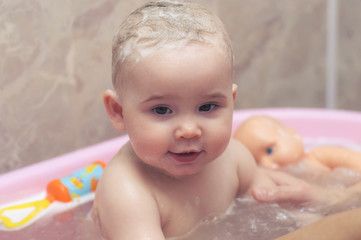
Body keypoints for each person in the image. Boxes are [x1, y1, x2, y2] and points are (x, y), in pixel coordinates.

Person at [90, 1, 348, 239]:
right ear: (119, 111)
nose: (189, 130)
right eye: (161, 110)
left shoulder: (233, 158)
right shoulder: (127, 192)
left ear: (231, 102)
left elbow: (275, 213)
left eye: (207, 106)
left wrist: (321, 219)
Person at [233, 115, 361, 172]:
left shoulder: (319, 156)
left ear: (293, 135)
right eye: (257, 164)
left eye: (269, 150)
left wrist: (346, 194)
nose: (266, 165)